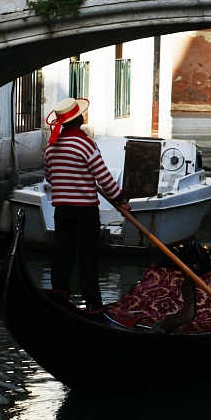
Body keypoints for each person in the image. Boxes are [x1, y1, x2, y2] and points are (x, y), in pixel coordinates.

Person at [43, 97, 129, 312]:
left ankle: (59, 299)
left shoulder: (50, 148)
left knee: (63, 254)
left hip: (62, 210)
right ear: (78, 119)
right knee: (88, 256)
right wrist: (120, 200)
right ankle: (92, 303)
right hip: (85, 211)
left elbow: (50, 178)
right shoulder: (86, 144)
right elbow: (103, 177)